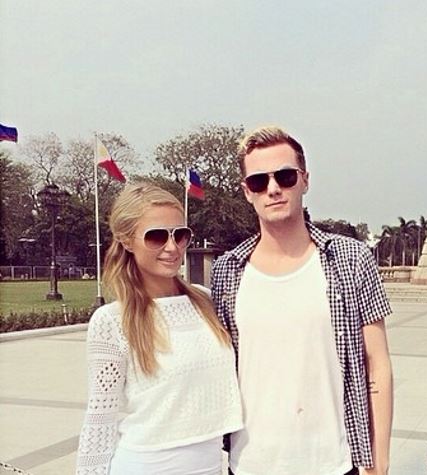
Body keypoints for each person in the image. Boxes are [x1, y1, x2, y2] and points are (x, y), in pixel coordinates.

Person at [211, 126, 393, 475]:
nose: (273, 189)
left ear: (305, 180)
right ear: (247, 192)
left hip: (332, 462)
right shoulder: (227, 270)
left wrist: (378, 462)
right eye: (259, 181)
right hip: (250, 464)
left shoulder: (350, 259)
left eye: (285, 176)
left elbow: (377, 363)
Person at [76, 182, 242, 475]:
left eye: (180, 235)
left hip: (210, 466)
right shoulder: (112, 321)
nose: (172, 247)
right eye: (156, 236)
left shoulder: (206, 302)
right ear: (127, 240)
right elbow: (100, 419)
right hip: (145, 465)